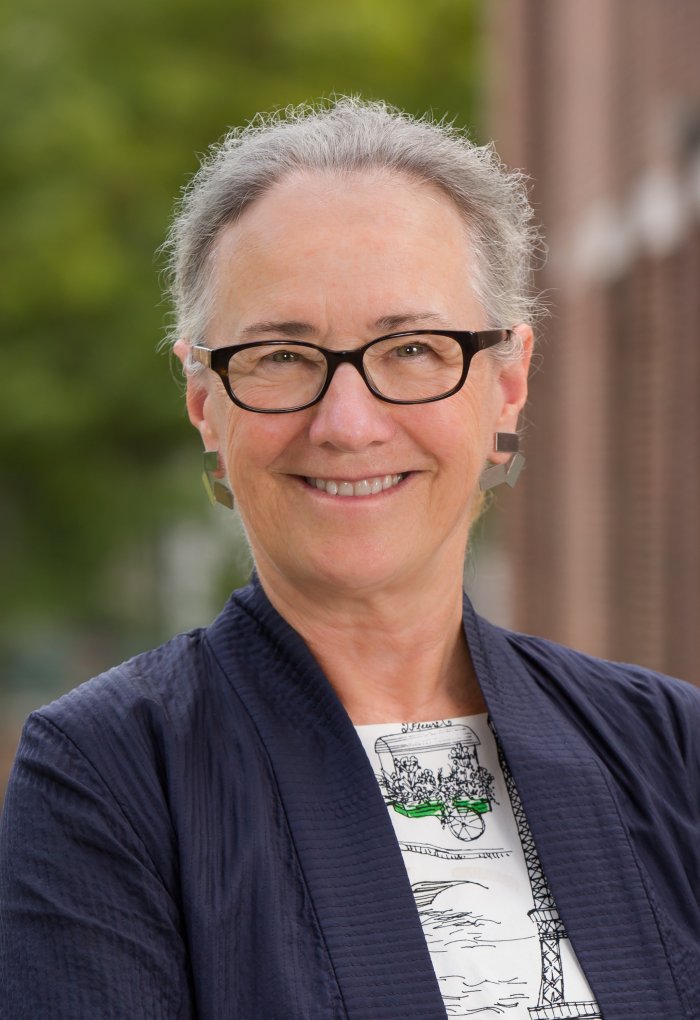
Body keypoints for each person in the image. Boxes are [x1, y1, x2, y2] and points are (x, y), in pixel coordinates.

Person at [1, 98, 698, 1020]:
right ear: (206, 402)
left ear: (509, 384)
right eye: (283, 355)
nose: (348, 423)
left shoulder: (670, 748)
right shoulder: (111, 778)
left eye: (413, 348)